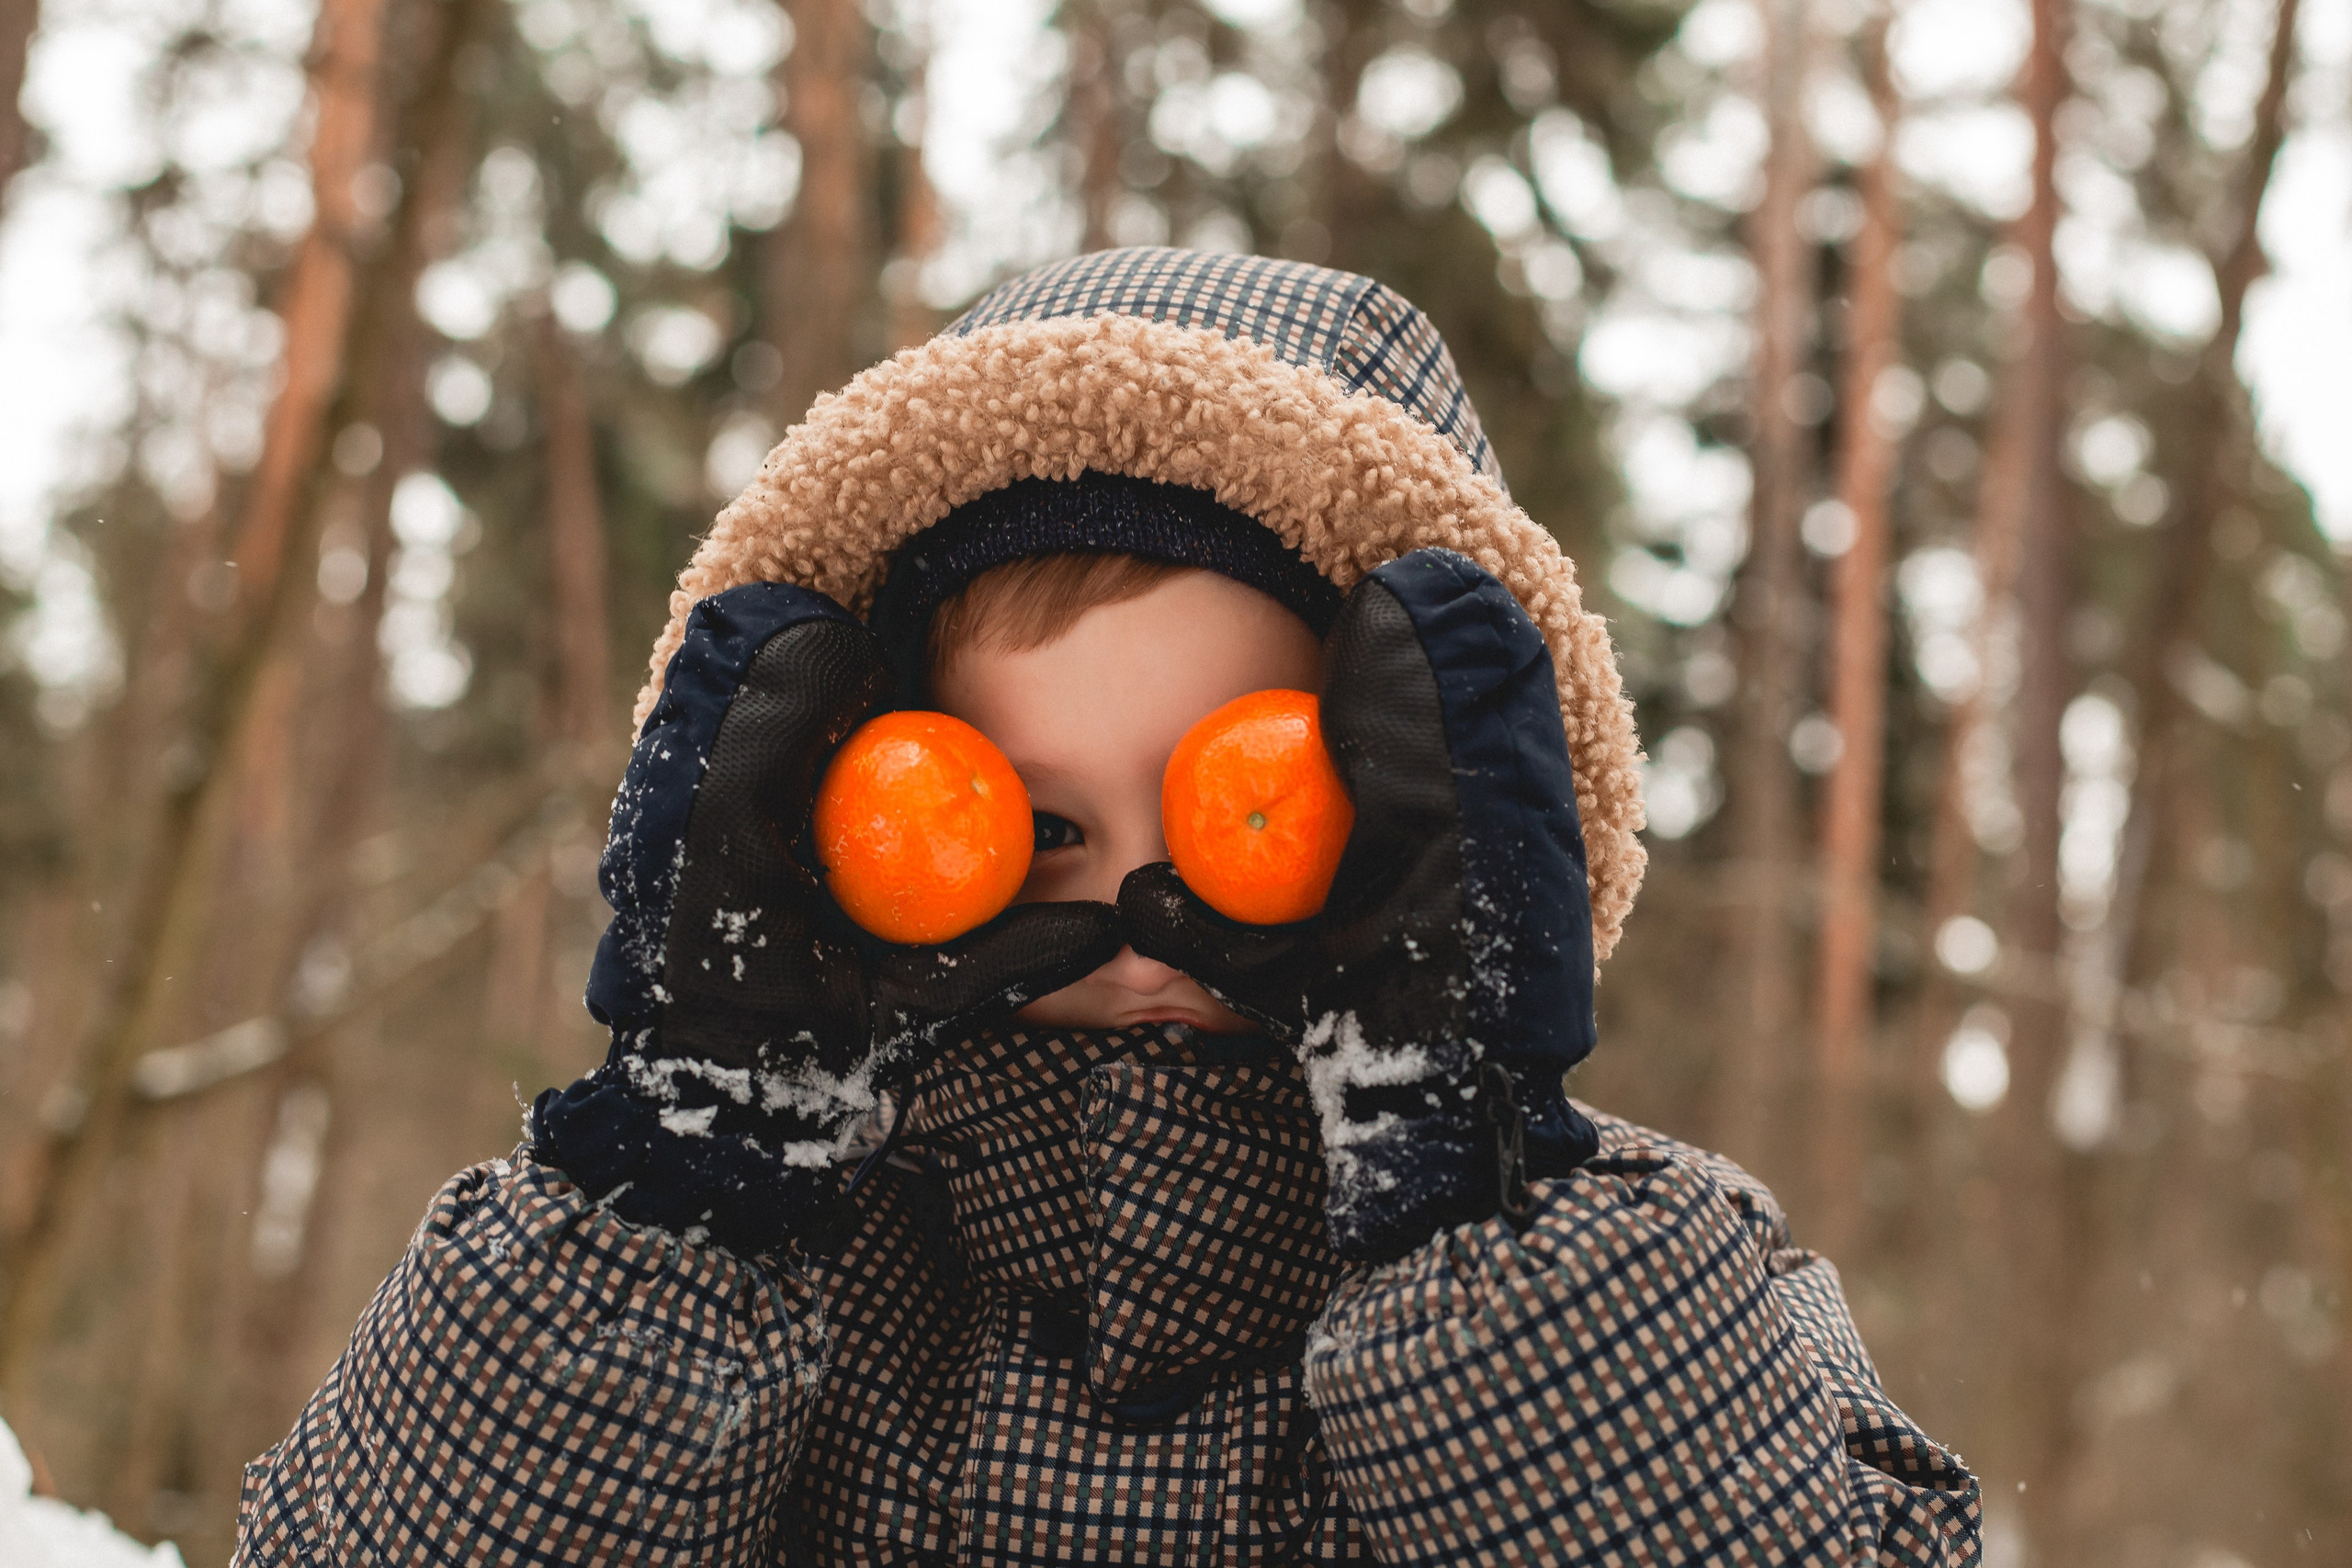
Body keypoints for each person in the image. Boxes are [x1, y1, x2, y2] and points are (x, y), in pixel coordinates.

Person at [234, 248, 1981, 1566]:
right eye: (1044, 825)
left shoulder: (1640, 1268)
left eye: (1249, 807)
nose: (1147, 923)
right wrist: (678, 1189)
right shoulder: (781, 1269)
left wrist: (1478, 1216)